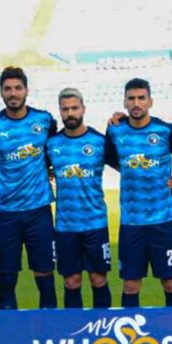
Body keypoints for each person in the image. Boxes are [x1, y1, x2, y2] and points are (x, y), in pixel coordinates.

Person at [0, 67, 58, 310]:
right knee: (6, 278)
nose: (13, 93)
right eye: (8, 89)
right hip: (6, 214)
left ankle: (48, 325)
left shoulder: (45, 121)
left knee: (45, 275)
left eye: (17, 88)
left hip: (39, 211)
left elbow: (55, 152)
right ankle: (8, 328)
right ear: (1, 92)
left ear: (26, 90)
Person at [104, 78, 172, 307]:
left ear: (150, 101)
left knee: (170, 283)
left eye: (141, 98)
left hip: (163, 220)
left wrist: (167, 179)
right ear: (125, 102)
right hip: (132, 222)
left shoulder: (167, 131)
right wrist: (135, 172)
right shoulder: (115, 132)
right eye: (131, 98)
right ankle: (129, 328)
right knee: (130, 285)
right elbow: (112, 160)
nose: (136, 103)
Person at [46, 88, 116, 308]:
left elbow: (128, 167)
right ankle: (73, 326)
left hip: (95, 223)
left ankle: (102, 324)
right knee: (71, 281)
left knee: (98, 279)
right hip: (65, 226)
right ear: (60, 112)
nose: (70, 113)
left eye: (74, 108)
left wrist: (165, 180)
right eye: (65, 109)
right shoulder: (52, 144)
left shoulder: (99, 141)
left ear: (83, 109)